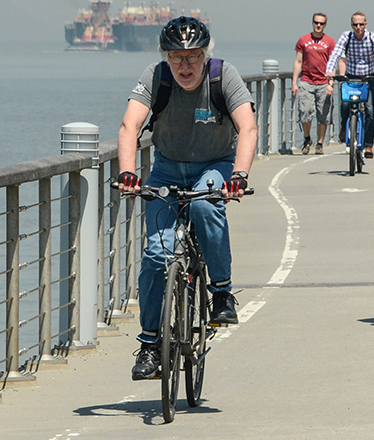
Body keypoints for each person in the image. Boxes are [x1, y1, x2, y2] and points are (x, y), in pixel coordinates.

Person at [116, 16, 257, 380]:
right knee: (154, 257)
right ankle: (149, 345)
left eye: (193, 56)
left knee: (204, 204)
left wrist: (239, 175)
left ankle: (222, 292)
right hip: (166, 168)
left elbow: (248, 127)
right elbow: (130, 125)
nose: (185, 65)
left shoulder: (223, 76)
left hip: (215, 165)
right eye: (177, 57)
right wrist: (128, 173)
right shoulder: (156, 77)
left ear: (205, 55)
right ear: (166, 57)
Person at [325, 11, 374, 159]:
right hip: (352, 76)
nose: (358, 27)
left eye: (361, 24)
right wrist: (329, 71)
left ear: (366, 24)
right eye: (355, 24)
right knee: (346, 105)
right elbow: (336, 53)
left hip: (369, 77)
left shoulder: (373, 37)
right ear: (351, 25)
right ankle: (343, 128)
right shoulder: (346, 37)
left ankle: (368, 145)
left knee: (370, 111)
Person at [292, 12, 336, 155]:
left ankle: (320, 143)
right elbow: (298, 62)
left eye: (321, 23)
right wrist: (294, 82)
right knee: (305, 112)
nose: (318, 25)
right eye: (316, 22)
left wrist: (331, 83)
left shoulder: (330, 42)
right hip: (306, 81)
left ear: (325, 25)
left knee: (323, 114)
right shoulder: (303, 40)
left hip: (323, 81)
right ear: (312, 23)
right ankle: (306, 138)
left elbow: (333, 63)